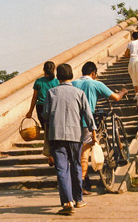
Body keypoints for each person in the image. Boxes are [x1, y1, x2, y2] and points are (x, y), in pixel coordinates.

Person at [42, 63, 96, 215]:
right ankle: (78, 199)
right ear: (71, 75)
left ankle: (67, 202)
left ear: (58, 77)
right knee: (76, 166)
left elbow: (45, 115)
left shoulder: (51, 93)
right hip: (75, 135)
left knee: (62, 168)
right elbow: (88, 114)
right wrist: (93, 132)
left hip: (57, 135)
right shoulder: (79, 93)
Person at [72, 61, 128, 195]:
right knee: (84, 155)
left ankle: (77, 182)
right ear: (93, 73)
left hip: (72, 123)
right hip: (87, 123)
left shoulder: (73, 84)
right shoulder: (95, 84)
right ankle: (80, 187)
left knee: (75, 154)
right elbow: (115, 98)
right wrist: (122, 92)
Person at [26, 61, 60, 166]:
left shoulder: (38, 82)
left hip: (41, 108)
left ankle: (50, 154)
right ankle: (54, 153)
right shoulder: (56, 82)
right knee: (53, 131)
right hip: (53, 107)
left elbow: (34, 98)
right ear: (54, 70)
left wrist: (30, 111)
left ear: (43, 69)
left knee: (46, 130)